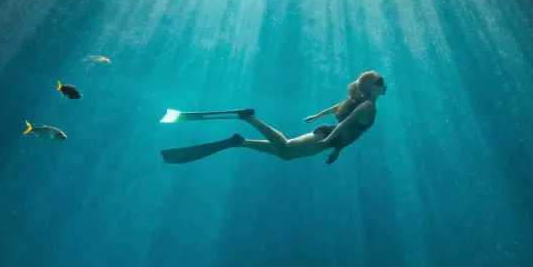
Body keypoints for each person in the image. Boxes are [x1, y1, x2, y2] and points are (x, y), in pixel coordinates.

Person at [159, 71, 387, 165]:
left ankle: (240, 142)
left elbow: (341, 115)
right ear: (371, 87)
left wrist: (335, 144)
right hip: (328, 137)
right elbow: (346, 124)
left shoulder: (362, 102)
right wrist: (330, 143)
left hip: (330, 137)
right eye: (380, 82)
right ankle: (251, 120)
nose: (383, 85)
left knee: (286, 155)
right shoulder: (367, 106)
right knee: (286, 146)